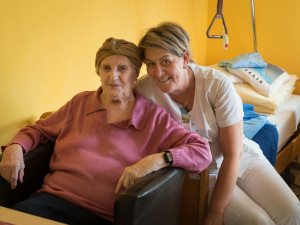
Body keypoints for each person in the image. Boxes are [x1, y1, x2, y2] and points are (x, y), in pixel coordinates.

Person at [0, 37, 212, 225]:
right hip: (49, 202)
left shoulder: (154, 118)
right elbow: (38, 130)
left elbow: (202, 151)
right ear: (98, 72)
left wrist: (158, 160)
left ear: (136, 73)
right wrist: (15, 147)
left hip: (104, 216)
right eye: (106, 68)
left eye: (122, 68)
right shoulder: (80, 103)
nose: (113, 76)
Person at [135, 22, 300, 225]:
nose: (158, 72)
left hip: (239, 156)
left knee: (293, 212)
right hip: (201, 170)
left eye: (166, 62)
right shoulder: (144, 90)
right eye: (150, 64)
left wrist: (215, 213)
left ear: (185, 58)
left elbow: (233, 154)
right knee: (259, 222)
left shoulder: (216, 84)